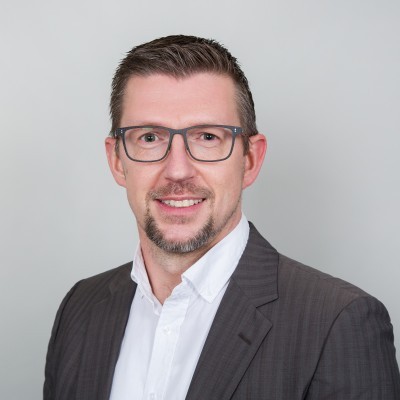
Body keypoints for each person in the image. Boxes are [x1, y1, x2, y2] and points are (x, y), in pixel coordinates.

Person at [44, 35, 400, 400]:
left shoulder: (337, 322)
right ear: (118, 161)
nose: (177, 171)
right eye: (149, 137)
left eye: (207, 137)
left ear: (250, 160)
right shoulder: (80, 309)